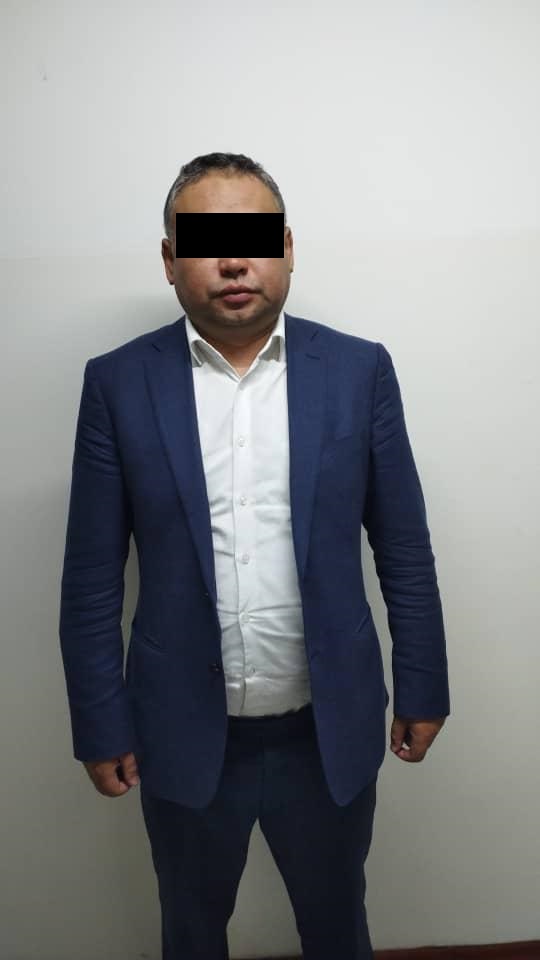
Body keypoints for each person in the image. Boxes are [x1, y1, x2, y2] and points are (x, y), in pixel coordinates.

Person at [59, 151, 450, 960]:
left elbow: (404, 548)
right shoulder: (119, 384)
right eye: (207, 242)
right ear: (169, 259)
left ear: (288, 249)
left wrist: (423, 684)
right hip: (180, 731)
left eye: (255, 239)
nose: (234, 262)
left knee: (337, 927)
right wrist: (99, 720)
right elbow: (92, 577)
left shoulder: (358, 371)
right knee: (191, 933)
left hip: (327, 729)